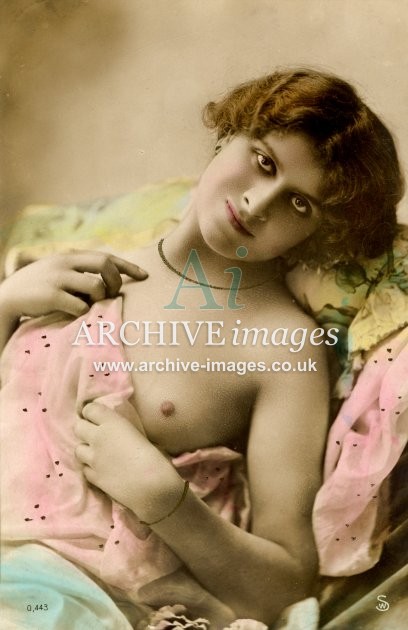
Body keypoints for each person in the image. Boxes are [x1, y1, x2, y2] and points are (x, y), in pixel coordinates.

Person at [0, 68, 404, 628]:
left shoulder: (283, 349)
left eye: (299, 205)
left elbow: (284, 587)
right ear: (230, 131)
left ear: (322, 231)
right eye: (264, 162)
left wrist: (164, 498)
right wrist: (4, 305)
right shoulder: (72, 266)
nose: (259, 204)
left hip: (66, 603)